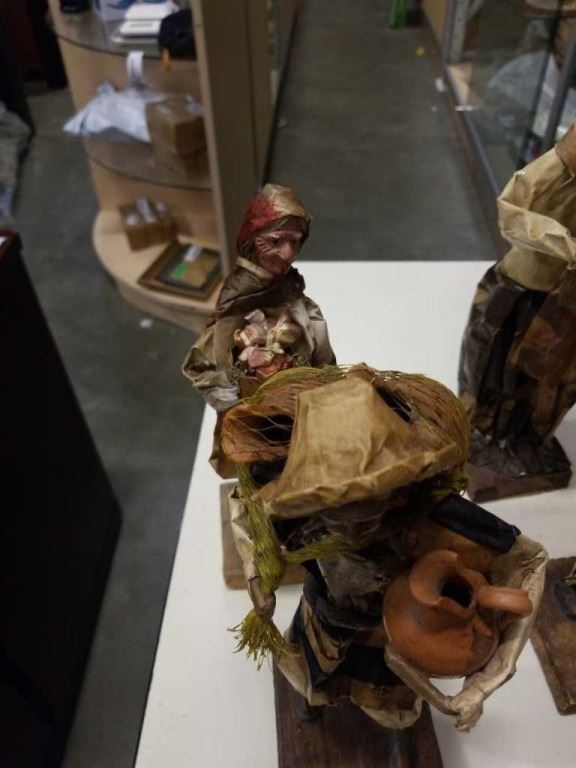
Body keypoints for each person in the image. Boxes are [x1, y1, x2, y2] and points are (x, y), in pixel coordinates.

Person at [220, 365, 547, 731]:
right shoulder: (291, 517)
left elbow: (529, 561)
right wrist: (259, 584)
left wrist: (485, 682)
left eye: (369, 506)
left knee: (389, 710)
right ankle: (313, 704)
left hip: (389, 633)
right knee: (308, 678)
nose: (351, 527)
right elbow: (244, 509)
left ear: (401, 489)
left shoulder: (439, 517)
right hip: (321, 620)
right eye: (334, 507)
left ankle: (394, 737)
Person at [459, 125, 576, 498]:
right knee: (494, 369)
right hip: (520, 289)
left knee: (546, 380)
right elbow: (510, 212)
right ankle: (487, 436)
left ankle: (522, 441)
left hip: (564, 300)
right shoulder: (552, 169)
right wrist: (566, 244)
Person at [182, 184, 335, 412]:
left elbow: (323, 361)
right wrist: (235, 403)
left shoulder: (296, 297)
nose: (288, 254)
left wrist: (321, 386)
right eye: (275, 241)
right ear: (252, 240)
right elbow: (203, 365)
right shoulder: (237, 298)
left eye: (295, 242)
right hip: (254, 412)